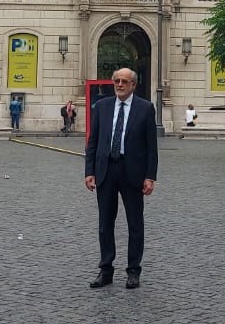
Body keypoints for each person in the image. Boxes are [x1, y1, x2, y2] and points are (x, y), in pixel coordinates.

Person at [84, 67, 158, 290]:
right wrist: (89, 171)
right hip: (106, 170)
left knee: (135, 224)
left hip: (132, 172)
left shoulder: (145, 109)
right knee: (105, 223)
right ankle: (105, 269)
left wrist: (150, 176)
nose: (119, 84)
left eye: (124, 81)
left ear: (133, 85)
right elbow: (93, 141)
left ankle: (133, 271)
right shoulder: (103, 107)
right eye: (116, 80)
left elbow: (151, 147)